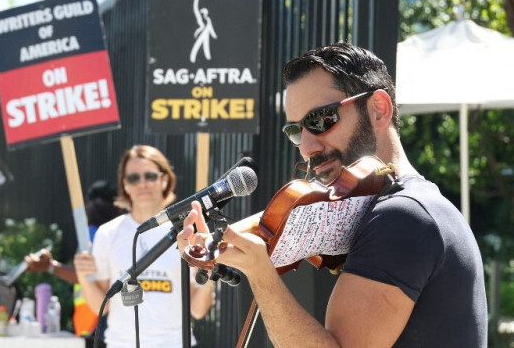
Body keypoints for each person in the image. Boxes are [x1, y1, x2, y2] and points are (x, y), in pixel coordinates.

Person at [177, 43, 488, 347]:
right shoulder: (418, 205)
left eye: (320, 120)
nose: (308, 147)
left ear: (379, 110)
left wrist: (262, 274)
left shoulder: (404, 217)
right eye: (296, 131)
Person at [74, 145, 214, 348]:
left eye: (150, 176)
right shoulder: (108, 233)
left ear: (164, 179)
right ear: (125, 184)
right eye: (133, 178)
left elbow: (199, 310)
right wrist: (83, 277)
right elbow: (99, 307)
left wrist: (208, 272)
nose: (143, 184)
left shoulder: (187, 232)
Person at [24, 180, 122, 339]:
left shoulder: (98, 235)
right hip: (93, 322)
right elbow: (84, 275)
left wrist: (51, 267)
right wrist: (50, 266)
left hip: (99, 322)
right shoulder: (99, 234)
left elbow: (83, 275)